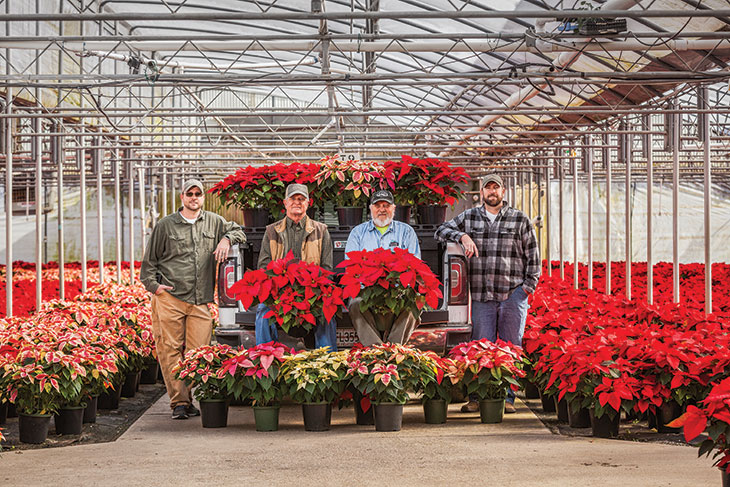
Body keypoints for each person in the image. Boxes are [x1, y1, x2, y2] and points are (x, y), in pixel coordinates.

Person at [141, 178, 246, 420]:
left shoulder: (214, 221)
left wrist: (225, 239)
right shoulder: (166, 226)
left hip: (200, 300)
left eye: (198, 193)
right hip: (170, 297)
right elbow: (148, 266)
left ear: (203, 197)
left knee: (199, 351)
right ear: (182, 197)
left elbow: (238, 230)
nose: (194, 197)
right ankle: (179, 402)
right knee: (170, 350)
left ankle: (187, 399)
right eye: (190, 193)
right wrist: (156, 287)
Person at [435, 173, 540, 414]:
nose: (492, 192)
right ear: (481, 193)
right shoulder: (470, 217)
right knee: (478, 348)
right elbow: (441, 230)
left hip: (512, 293)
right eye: (488, 188)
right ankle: (476, 397)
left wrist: (526, 289)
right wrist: (462, 235)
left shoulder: (519, 220)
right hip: (482, 295)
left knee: (510, 347)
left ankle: (508, 398)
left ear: (503, 192)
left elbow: (533, 257)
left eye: (496, 188)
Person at [255, 183, 337, 350]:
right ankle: (265, 359)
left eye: (301, 199)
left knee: (327, 314)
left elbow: (327, 270)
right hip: (280, 293)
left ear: (308, 203)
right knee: (263, 312)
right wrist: (277, 292)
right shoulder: (272, 231)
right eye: (293, 199)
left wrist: (313, 293)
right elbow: (264, 267)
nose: (297, 203)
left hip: (312, 292)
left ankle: (327, 362)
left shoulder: (321, 231)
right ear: (285, 203)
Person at [344, 189, 422, 346]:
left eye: (386, 205)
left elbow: (414, 264)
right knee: (355, 304)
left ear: (393, 208)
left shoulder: (406, 231)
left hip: (398, 291)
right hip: (367, 291)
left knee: (413, 306)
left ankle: (393, 349)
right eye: (377, 205)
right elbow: (351, 266)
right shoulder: (357, 233)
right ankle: (376, 350)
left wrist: (398, 289)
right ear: (371, 208)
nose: (382, 209)